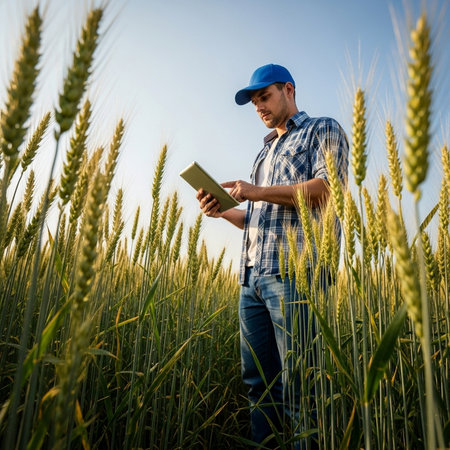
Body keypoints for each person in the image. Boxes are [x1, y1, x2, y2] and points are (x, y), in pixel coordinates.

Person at [197, 64, 348, 448]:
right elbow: (258, 218)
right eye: (253, 101)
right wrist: (223, 210)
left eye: (264, 96)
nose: (258, 106)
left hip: (297, 277)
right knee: (258, 387)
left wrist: (255, 191)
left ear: (288, 90)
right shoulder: (263, 152)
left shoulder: (322, 129)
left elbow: (326, 191)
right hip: (252, 279)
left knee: (301, 387)